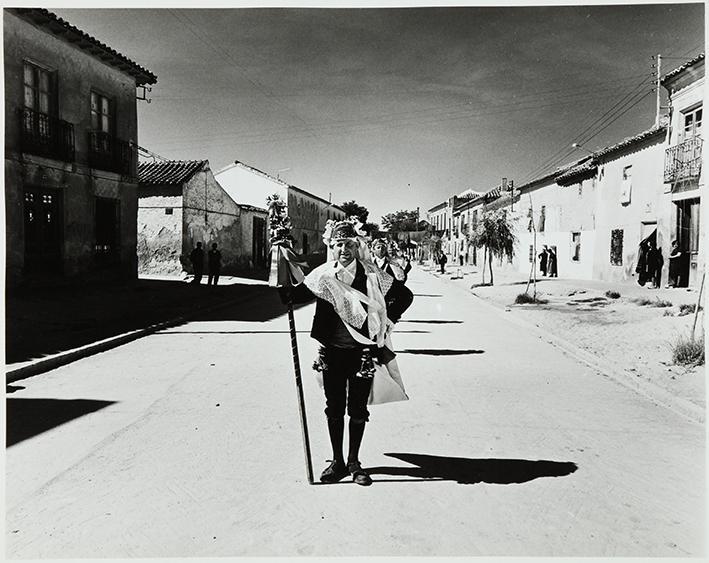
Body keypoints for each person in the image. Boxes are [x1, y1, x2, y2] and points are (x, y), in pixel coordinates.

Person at [284, 221, 413, 486]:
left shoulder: (372, 275)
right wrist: (280, 269)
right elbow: (292, 298)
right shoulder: (322, 276)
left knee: (357, 408)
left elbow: (405, 296)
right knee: (334, 408)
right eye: (339, 244)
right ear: (331, 247)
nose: (345, 249)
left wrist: (388, 321)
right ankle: (337, 462)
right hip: (331, 352)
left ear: (357, 246)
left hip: (362, 352)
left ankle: (354, 462)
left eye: (350, 244)